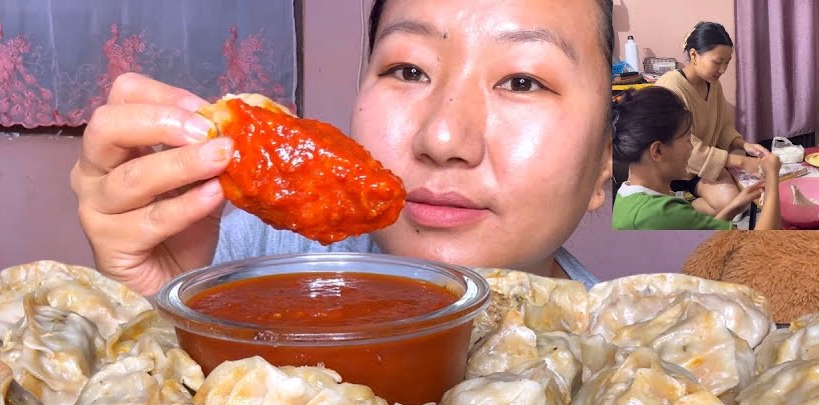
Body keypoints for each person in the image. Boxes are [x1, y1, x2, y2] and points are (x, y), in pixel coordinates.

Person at [70, 0, 615, 297]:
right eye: (408, 69)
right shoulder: (235, 253)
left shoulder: (637, 369)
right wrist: (153, 306)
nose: (443, 139)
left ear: (605, 165)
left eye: (522, 81)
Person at [611, 87, 782, 230]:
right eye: (687, 140)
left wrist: (733, 207)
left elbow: (700, 230)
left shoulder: (626, 195)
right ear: (658, 151)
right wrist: (772, 176)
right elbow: (762, 245)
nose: (692, 147)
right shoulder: (662, 214)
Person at [654, 22, 769, 218]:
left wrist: (745, 145)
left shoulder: (712, 84)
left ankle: (684, 211)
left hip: (703, 163)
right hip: (676, 166)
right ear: (693, 55)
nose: (723, 69)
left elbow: (723, 126)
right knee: (732, 204)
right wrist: (741, 162)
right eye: (717, 62)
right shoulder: (670, 88)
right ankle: (679, 212)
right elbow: (684, 148)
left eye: (727, 62)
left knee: (735, 205)